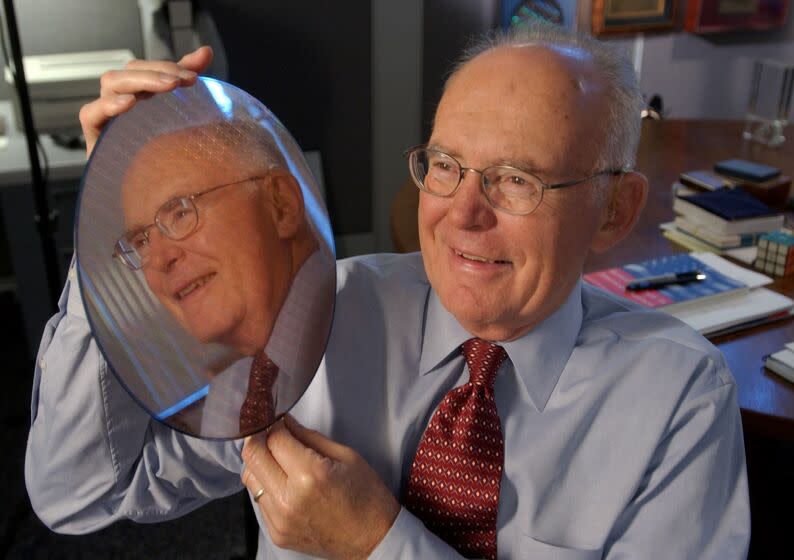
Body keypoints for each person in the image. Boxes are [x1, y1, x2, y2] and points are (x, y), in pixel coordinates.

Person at [26, 24, 749, 559]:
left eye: (516, 179)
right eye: (445, 165)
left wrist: (376, 545)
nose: (463, 213)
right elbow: (85, 492)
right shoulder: (320, 316)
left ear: (614, 210)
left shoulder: (677, 395)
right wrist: (104, 233)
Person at [111, 121, 334, 436]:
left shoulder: (387, 330)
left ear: (280, 204)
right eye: (141, 241)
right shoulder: (232, 398)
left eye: (181, 213)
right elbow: (88, 484)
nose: (160, 260)